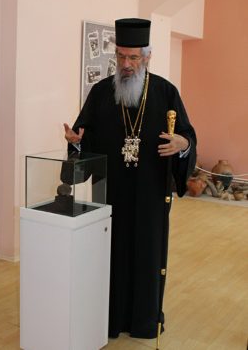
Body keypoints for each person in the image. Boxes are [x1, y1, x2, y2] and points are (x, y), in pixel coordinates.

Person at [64, 18, 197, 340]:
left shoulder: (165, 92)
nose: (126, 64)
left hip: (151, 193)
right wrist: (77, 144)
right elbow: (84, 137)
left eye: (133, 57)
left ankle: (144, 321)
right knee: (111, 255)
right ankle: (108, 319)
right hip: (110, 191)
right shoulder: (100, 92)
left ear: (147, 57)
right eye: (121, 56)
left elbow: (186, 137)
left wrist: (183, 145)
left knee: (147, 256)